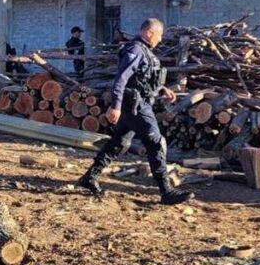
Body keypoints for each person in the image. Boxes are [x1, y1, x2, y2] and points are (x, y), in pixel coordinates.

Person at [77, 18, 194, 205]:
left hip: (136, 104)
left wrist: (163, 90)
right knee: (155, 142)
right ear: (149, 33)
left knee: (119, 143)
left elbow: (143, 79)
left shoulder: (144, 51)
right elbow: (121, 80)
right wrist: (115, 106)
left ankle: (90, 177)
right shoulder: (136, 50)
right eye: (159, 35)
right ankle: (166, 191)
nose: (160, 39)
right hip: (136, 106)